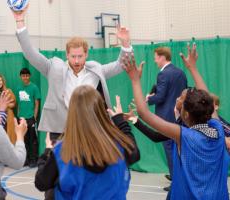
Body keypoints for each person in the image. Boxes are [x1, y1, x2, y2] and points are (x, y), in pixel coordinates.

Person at [11, 5, 136, 138]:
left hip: (91, 131)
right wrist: (20, 22)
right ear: (67, 54)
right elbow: (30, 53)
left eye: (80, 56)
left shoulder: (96, 70)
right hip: (61, 130)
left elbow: (121, 64)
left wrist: (126, 44)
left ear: (86, 54)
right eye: (73, 56)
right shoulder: (54, 68)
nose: (76, 61)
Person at [124, 44, 229, 199]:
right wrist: (193, 68)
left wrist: (135, 80)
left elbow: (144, 113)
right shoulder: (217, 129)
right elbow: (208, 100)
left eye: (179, 99)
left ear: (185, 114)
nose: (176, 101)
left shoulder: (183, 135)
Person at [35, 85, 139, 199]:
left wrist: (47, 152)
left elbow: (41, 183)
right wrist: (120, 121)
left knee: (51, 192)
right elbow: (134, 152)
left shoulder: (62, 151)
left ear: (72, 114)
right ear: (101, 111)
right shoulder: (118, 145)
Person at [146, 47, 188, 190]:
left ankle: (176, 181)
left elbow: (161, 96)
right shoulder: (181, 73)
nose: (155, 60)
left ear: (162, 57)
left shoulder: (163, 74)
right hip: (179, 117)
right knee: (177, 148)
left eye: (156, 57)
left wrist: (149, 98)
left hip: (165, 118)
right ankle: (176, 174)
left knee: (170, 148)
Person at [16, 68, 41, 167]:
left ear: (29, 76)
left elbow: (36, 103)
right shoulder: (18, 88)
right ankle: (25, 160)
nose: (25, 77)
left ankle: (33, 159)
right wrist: (18, 115)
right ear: (20, 77)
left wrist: (34, 117)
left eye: (27, 75)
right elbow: (18, 104)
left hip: (30, 117)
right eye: (23, 76)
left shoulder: (34, 87)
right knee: (23, 139)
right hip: (21, 118)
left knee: (33, 140)